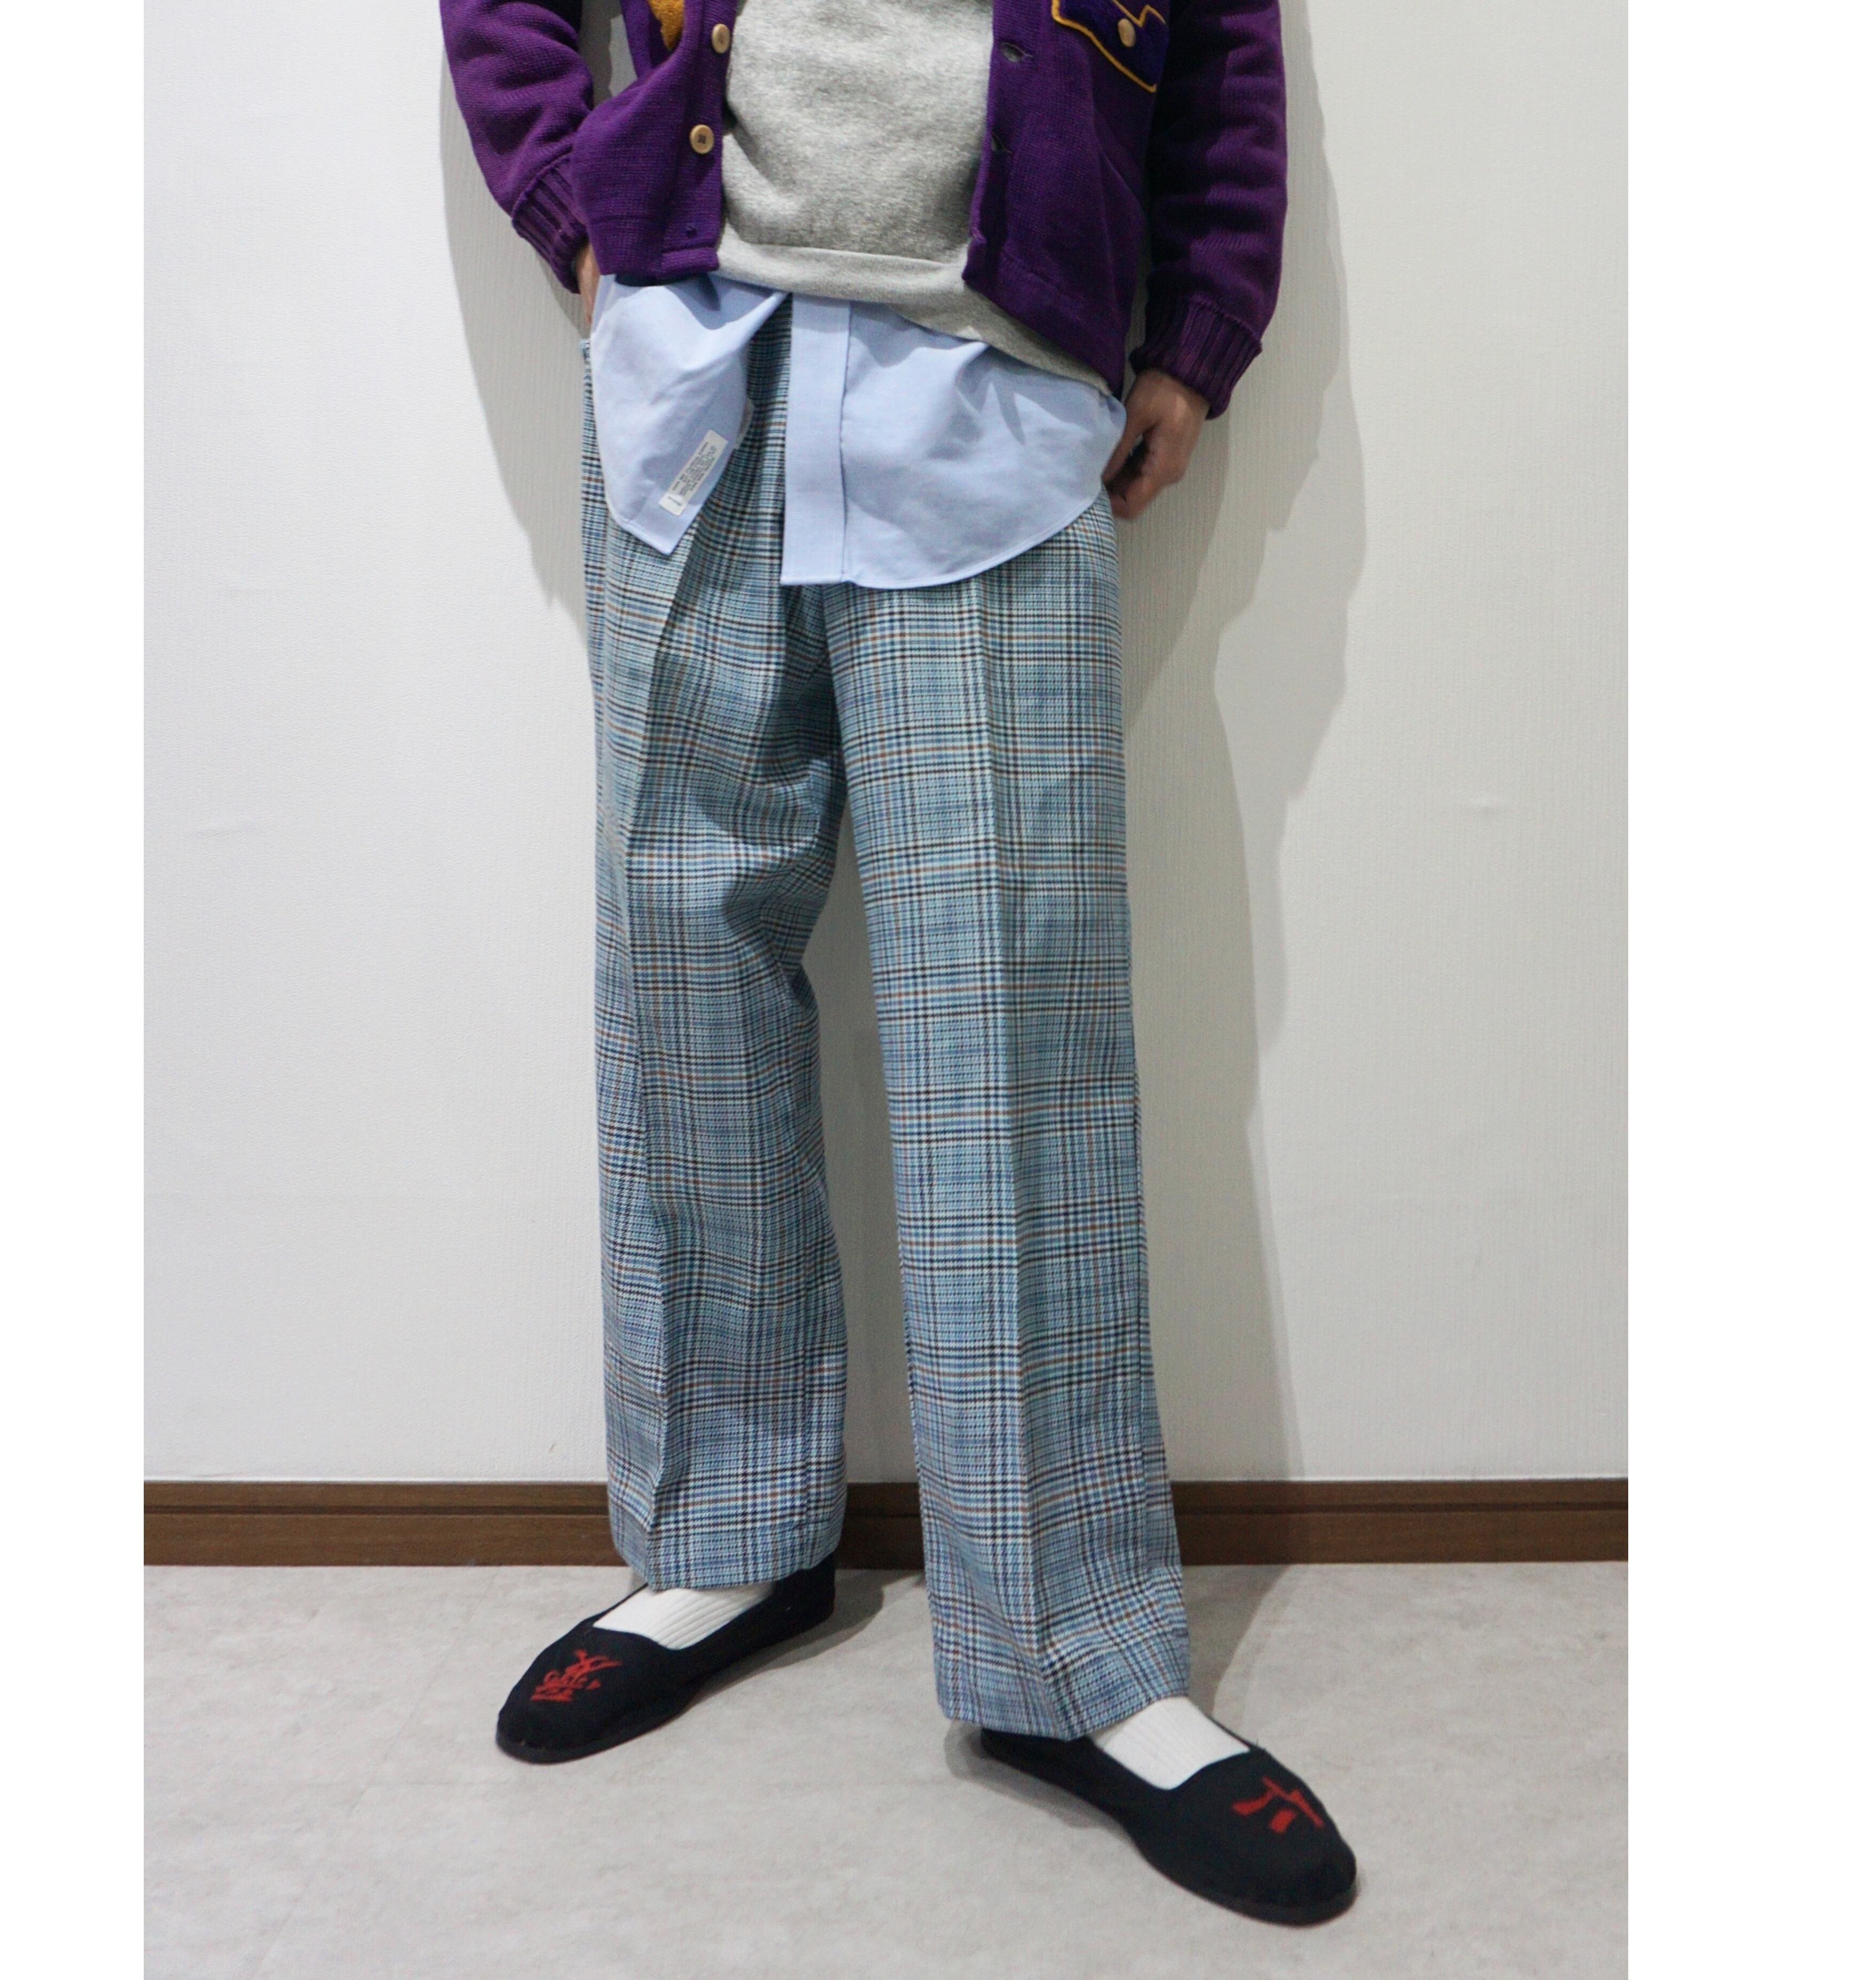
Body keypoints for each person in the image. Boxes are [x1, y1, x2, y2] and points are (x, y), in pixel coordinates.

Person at [442, 0, 1357, 1926]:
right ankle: (724, 1533)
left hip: (999, 380)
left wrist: (1201, 325)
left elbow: (1224, 49)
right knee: (684, 979)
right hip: (693, 366)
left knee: (1010, 1011)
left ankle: (1070, 1648)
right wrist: (564, 202)